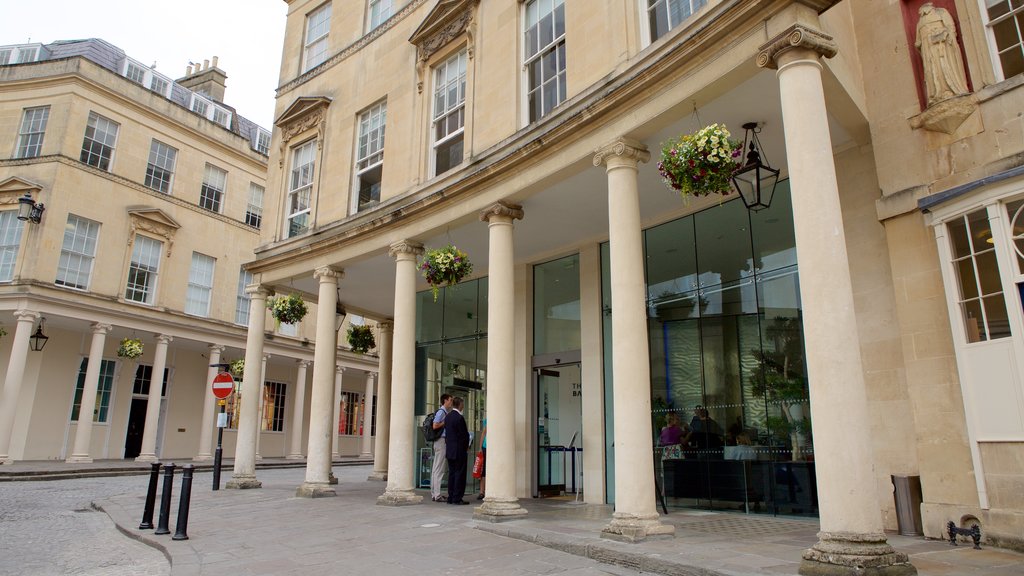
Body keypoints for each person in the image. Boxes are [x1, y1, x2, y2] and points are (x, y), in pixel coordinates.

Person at [915, 3, 969, 106]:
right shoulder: (919, 23)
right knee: (933, 71)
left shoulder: (941, 12)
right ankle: (937, 95)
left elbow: (950, 28)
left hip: (943, 47)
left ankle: (952, 90)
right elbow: (918, 42)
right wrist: (922, 44)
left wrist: (942, 34)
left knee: (946, 66)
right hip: (928, 51)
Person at [444, 396, 471, 505]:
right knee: (460, 473)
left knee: (452, 473)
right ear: (459, 405)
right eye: (462, 404)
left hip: (450, 450)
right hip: (459, 450)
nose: (463, 406)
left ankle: (451, 496)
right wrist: (467, 446)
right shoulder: (459, 418)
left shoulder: (448, 417)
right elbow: (464, 435)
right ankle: (457, 497)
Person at [430, 394, 452, 503]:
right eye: (450, 400)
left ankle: (434, 493)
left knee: (436, 468)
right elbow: (435, 425)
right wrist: (445, 422)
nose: (451, 402)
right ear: (445, 401)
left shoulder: (443, 412)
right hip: (441, 441)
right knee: (439, 468)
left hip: (439, 442)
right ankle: (437, 494)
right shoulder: (442, 412)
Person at [477, 416, 487, 500]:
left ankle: (483, 491)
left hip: (487, 447)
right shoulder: (487, 420)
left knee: (484, 470)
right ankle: (482, 491)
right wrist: (480, 448)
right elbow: (484, 432)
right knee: (483, 470)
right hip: (486, 446)